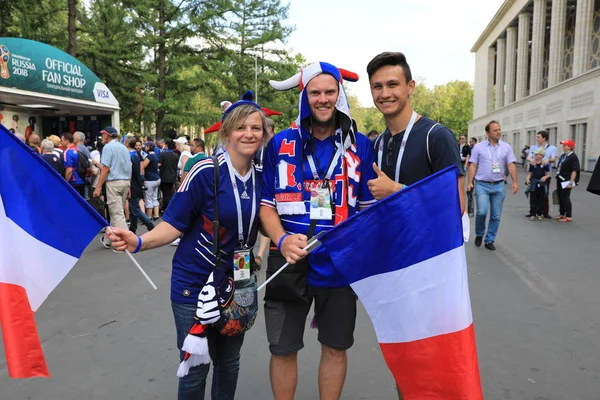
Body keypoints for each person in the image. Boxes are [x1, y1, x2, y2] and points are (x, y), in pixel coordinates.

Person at [106, 101, 267, 399]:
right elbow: (174, 223)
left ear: (264, 134)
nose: (248, 134)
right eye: (241, 127)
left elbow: (267, 222)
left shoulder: (262, 176)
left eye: (255, 128)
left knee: (229, 362)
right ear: (227, 133)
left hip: (239, 283)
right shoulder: (205, 171)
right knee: (196, 367)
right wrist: (139, 241)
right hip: (194, 284)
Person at [261, 62, 376, 400]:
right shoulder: (280, 144)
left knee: (336, 348)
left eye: (329, 91)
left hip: (340, 266)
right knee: (282, 350)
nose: (323, 99)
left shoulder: (361, 146)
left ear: (339, 96)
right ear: (304, 97)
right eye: (315, 92)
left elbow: (368, 212)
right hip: (288, 262)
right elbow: (267, 205)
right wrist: (281, 239)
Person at [366, 52, 465, 213]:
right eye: (377, 86)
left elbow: (457, 205)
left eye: (392, 84)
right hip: (388, 237)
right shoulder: (376, 144)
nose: (384, 94)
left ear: (410, 87)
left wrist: (398, 191)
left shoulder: (436, 136)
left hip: (426, 238)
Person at [468, 121, 519, 250]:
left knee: (496, 215)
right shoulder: (479, 147)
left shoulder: (506, 147)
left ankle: (489, 239)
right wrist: (470, 182)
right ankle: (479, 233)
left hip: (499, 185)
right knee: (482, 212)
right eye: (495, 130)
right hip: (482, 185)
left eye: (499, 129)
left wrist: (515, 182)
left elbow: (511, 165)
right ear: (488, 133)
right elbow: (473, 165)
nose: (499, 132)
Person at [93, 127, 132, 250]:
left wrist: (98, 187)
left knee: (116, 213)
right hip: (125, 181)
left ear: (107, 135)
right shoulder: (123, 148)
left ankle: (127, 242)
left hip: (113, 182)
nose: (102, 137)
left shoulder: (108, 148)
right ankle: (109, 239)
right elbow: (128, 166)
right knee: (116, 211)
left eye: (103, 135)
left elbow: (106, 169)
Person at [127, 137, 155, 234]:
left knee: (135, 208)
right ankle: (133, 228)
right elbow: (141, 168)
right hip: (138, 181)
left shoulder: (129, 156)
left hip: (133, 183)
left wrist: (128, 186)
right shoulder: (137, 154)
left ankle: (150, 225)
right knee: (134, 206)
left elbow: (129, 172)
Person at [527, 131, 557, 218]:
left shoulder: (552, 148)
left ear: (544, 138)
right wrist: (530, 160)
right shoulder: (533, 147)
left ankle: (544, 212)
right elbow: (529, 156)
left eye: (538, 137)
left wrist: (548, 160)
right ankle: (533, 212)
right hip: (534, 173)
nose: (537, 139)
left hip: (545, 174)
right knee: (533, 194)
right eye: (536, 137)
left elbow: (553, 158)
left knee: (544, 194)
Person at [555, 140, 580, 222]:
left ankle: (568, 216)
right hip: (560, 178)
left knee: (565, 197)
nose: (563, 146)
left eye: (565, 145)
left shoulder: (573, 157)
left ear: (570, 147)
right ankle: (562, 214)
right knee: (560, 197)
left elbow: (574, 170)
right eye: (563, 145)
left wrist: (571, 182)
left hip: (567, 180)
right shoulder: (563, 155)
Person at [525, 148, 550, 221]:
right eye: (535, 154)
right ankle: (533, 213)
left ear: (542, 155)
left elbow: (548, 174)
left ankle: (540, 213)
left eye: (537, 154)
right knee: (533, 199)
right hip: (534, 183)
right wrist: (527, 179)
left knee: (541, 199)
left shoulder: (545, 164)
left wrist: (545, 177)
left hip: (541, 183)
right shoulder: (533, 164)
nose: (535, 155)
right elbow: (530, 174)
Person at [61, 132, 86, 197]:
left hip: (74, 181)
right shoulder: (77, 149)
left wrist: (65, 182)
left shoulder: (67, 152)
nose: (61, 142)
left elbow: (69, 169)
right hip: (81, 179)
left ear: (66, 141)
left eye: (62, 140)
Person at [159, 139, 179, 213]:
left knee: (165, 194)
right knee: (170, 193)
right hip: (172, 176)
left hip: (164, 176)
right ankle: (171, 208)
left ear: (166, 145)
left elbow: (159, 164)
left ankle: (167, 209)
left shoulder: (163, 154)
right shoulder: (175, 155)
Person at [144, 141, 161, 220]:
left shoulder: (149, 156)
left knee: (148, 198)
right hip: (157, 178)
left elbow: (143, 166)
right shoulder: (156, 156)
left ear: (148, 147)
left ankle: (149, 216)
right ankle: (156, 214)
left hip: (150, 179)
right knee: (154, 197)